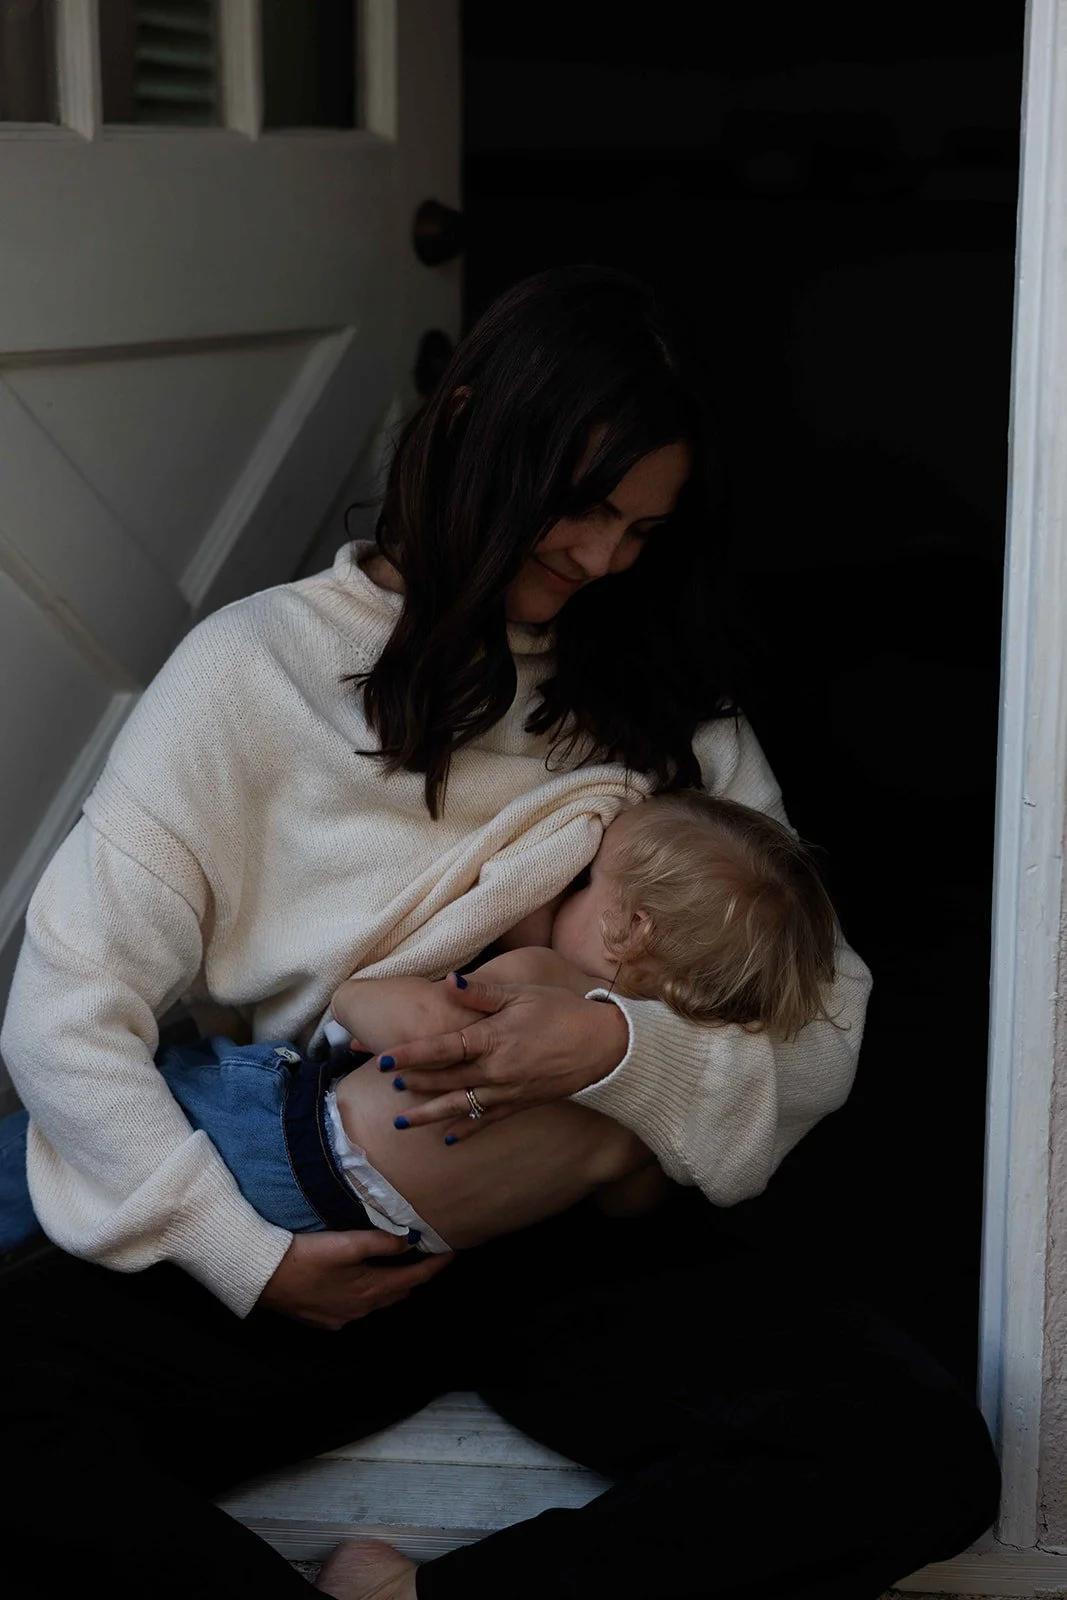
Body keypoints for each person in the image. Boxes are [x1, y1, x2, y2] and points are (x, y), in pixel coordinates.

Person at [0, 265, 998, 1600]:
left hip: (571, 1237)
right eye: (584, 509)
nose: (601, 560)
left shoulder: (665, 717)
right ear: (468, 427)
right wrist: (248, 1262)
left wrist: (604, 1046)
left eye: (641, 532)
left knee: (907, 1453)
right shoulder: (256, 671)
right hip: (305, 1217)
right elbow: (66, 1014)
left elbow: (820, 1029)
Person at [0, 790, 840, 1259]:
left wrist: (488, 936)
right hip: (376, 1237)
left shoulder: (543, 985)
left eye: (583, 883)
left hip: (295, 1142)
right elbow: (628, 1207)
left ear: (631, 931)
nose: (566, 890)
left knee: (60, 1135)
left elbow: (372, 1010)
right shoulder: (650, 1130)